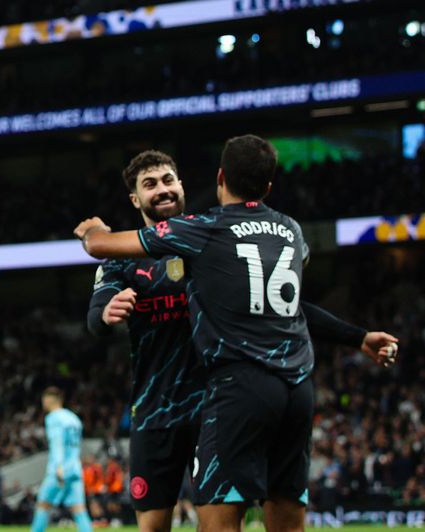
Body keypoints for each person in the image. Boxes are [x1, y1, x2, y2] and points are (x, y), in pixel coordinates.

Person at [74, 136, 399, 532]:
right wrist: (107, 314)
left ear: (195, 183)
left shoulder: (207, 235)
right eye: (150, 184)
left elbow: (291, 307)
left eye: (168, 179)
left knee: (219, 519)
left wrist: (94, 234)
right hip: (159, 409)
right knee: (154, 526)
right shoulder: (128, 263)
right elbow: (94, 319)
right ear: (134, 199)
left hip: (217, 404)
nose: (162, 188)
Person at [31, 387, 92, 532]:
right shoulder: (74, 418)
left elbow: (57, 442)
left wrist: (59, 466)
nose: (43, 403)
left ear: (50, 400)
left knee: (43, 504)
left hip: (59, 469)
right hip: (75, 469)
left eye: (44, 399)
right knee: (79, 509)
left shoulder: (53, 418)